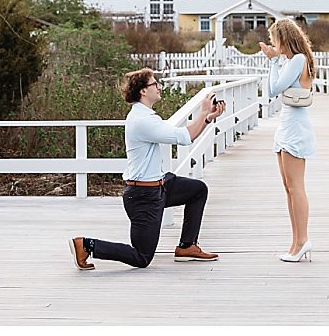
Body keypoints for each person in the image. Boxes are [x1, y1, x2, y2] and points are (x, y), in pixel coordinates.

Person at [69, 68, 224, 270]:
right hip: (143, 196)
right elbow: (185, 137)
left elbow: (182, 133)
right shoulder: (142, 121)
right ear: (143, 91)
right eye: (154, 84)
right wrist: (204, 112)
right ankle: (87, 245)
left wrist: (208, 118)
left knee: (197, 190)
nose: (159, 87)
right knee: (141, 257)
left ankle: (187, 246)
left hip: (159, 186)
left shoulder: (146, 116)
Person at [260, 18, 318, 262]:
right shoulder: (291, 61)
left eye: (275, 39)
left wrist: (273, 61)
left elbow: (274, 90)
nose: (273, 43)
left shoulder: (297, 60)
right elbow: (271, 90)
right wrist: (275, 61)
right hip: (286, 126)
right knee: (288, 188)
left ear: (284, 38)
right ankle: (295, 242)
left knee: (296, 187)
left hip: (295, 129)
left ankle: (303, 240)